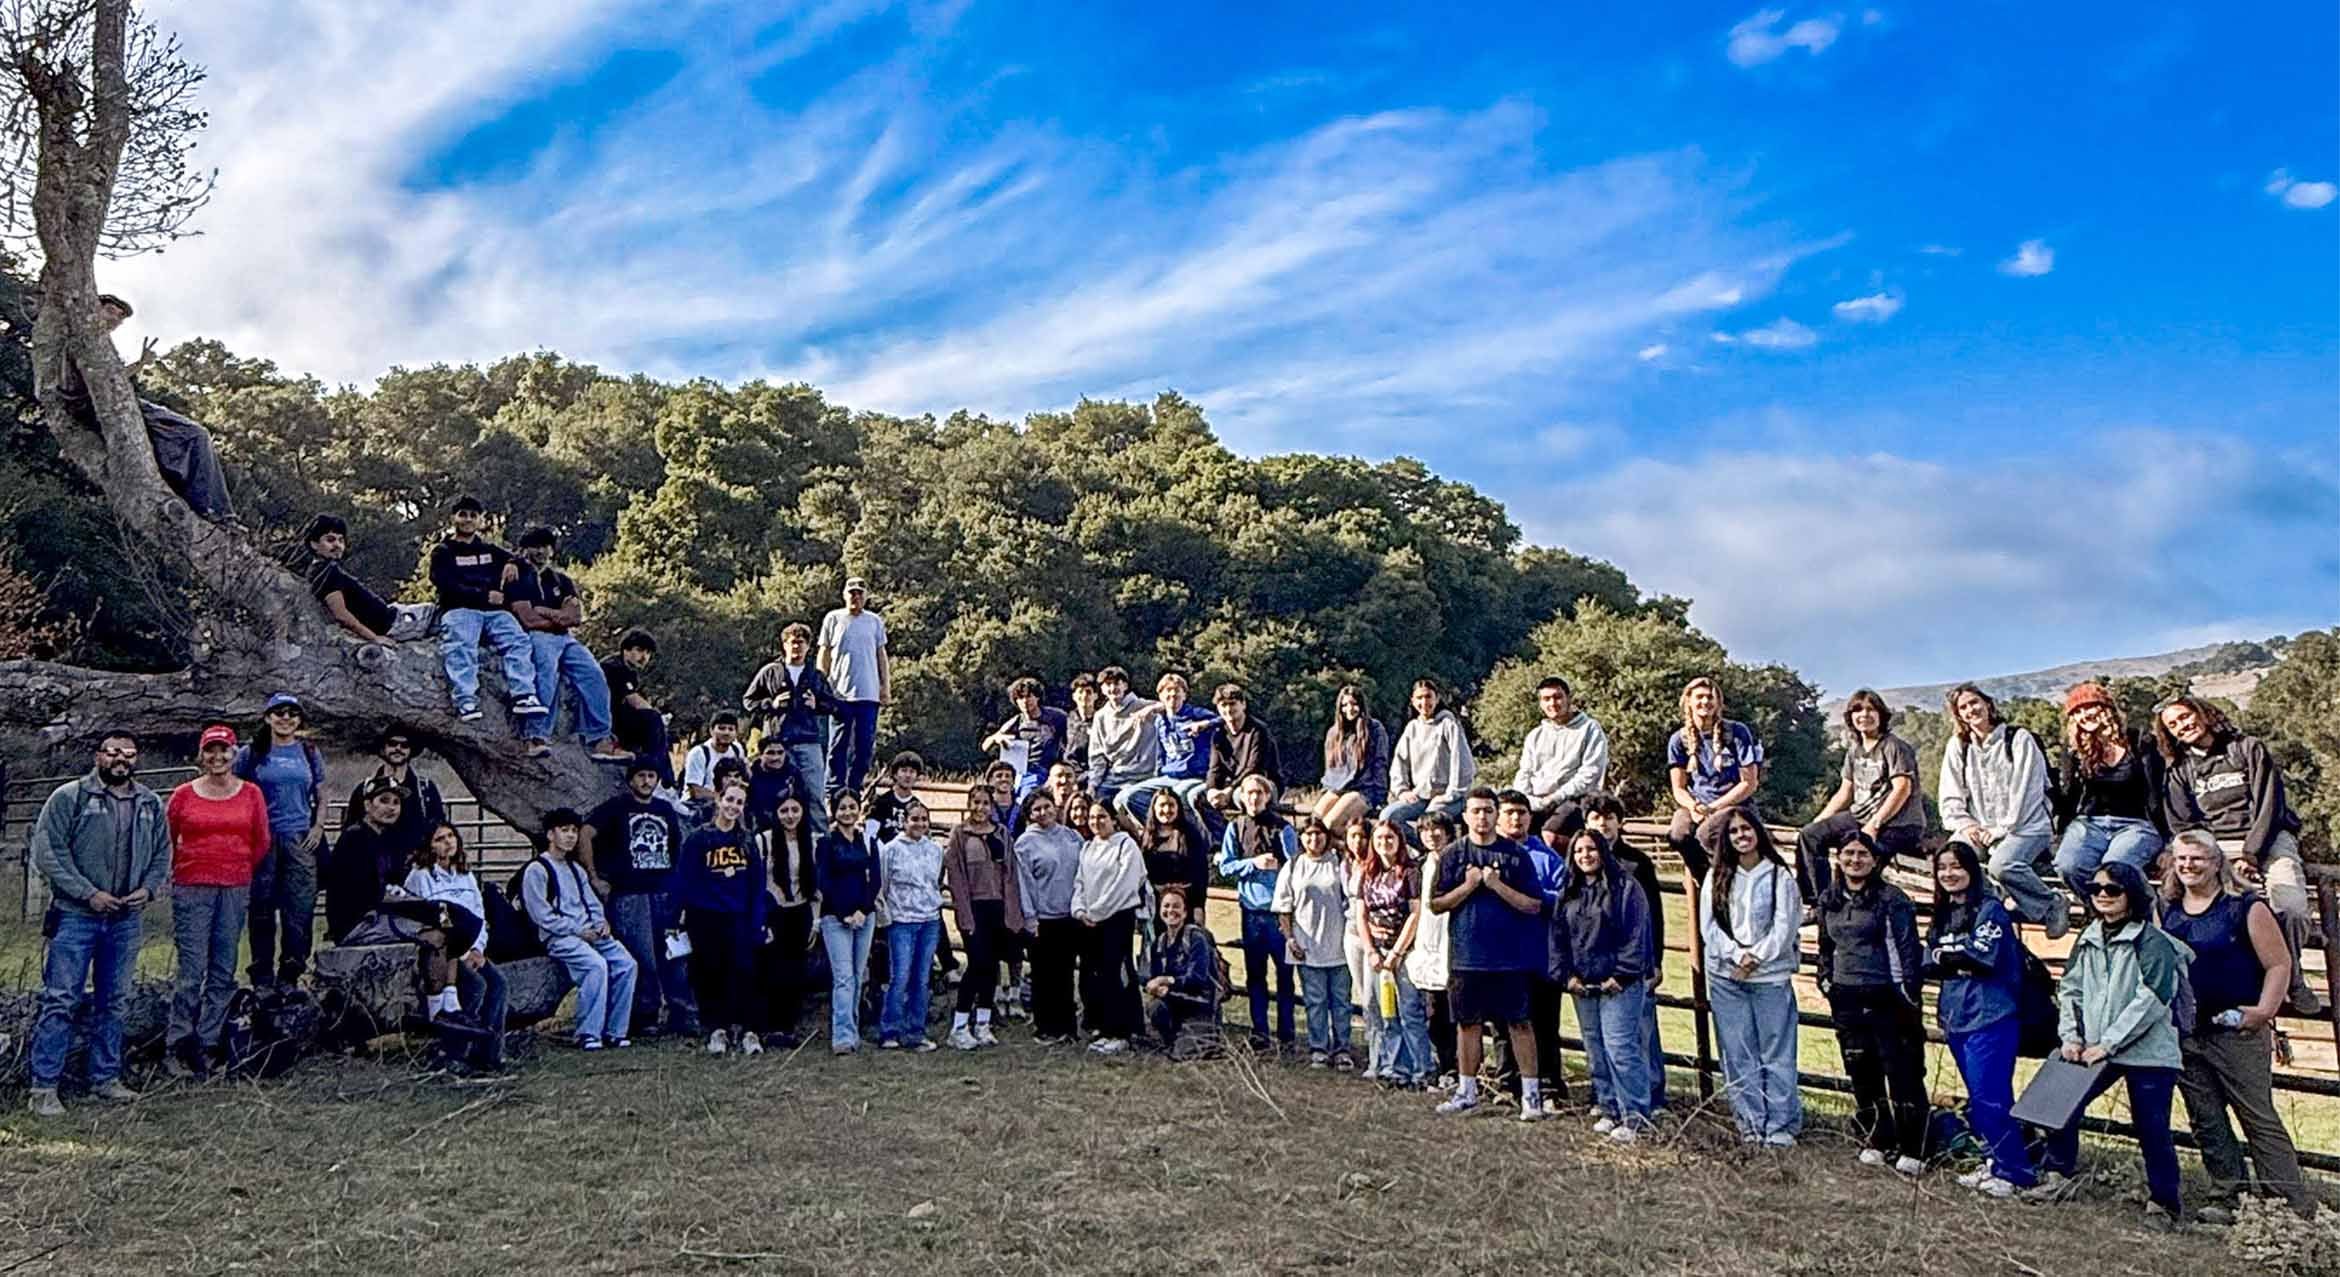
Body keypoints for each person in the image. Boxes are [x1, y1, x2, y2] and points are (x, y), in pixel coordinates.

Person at [2158, 830, 2313, 1219]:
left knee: (2257, 1117)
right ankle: (2228, 1195)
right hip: (2188, 1031)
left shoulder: (2244, 907)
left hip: (2236, 1030)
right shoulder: (2170, 909)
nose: (2189, 866)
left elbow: (2279, 963)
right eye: (2182, 860)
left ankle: (2288, 1202)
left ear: (2216, 862)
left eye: (2198, 859)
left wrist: (2263, 1011)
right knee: (2206, 1118)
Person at [25, 732, 169, 1117]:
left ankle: (105, 1079)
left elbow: (162, 853)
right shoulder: (69, 797)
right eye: (113, 752)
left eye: (129, 753)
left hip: (125, 919)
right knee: (61, 999)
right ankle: (43, 1087)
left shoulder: (149, 803)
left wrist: (149, 889)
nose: (121, 759)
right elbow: (49, 852)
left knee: (115, 1001)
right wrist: (87, 892)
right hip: (77, 916)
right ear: (98, 756)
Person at [2038, 860, 2187, 1227]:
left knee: (2152, 1126)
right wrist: (2071, 1036)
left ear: (2132, 894)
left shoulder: (2153, 942)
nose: (2102, 896)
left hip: (2147, 1051)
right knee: (2059, 1104)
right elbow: (2070, 988)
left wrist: (2108, 1044)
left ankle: (2164, 1204)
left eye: (2112, 889)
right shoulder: (2088, 937)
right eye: (2096, 889)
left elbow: (2152, 998)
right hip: (2091, 1046)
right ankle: (2057, 1176)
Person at [2157, 695, 2322, 1015]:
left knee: (2291, 908)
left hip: (2267, 839)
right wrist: (2219, 860)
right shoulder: (2179, 771)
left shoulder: (2247, 748)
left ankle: (2293, 979)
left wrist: (2250, 855)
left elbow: (2270, 805)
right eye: (2173, 725)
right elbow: (2184, 825)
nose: (2183, 726)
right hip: (2215, 846)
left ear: (2202, 713)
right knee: (2218, 914)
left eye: (2185, 716)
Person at [1429, 788, 1552, 1122]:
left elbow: (1534, 904)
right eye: (1475, 811)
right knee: (1467, 1025)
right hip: (1466, 956)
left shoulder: (1516, 855)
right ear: (1465, 815)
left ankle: (1531, 1096)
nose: (1482, 817)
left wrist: (1497, 886)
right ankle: (1466, 1091)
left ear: (1496, 814)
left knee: (1519, 1024)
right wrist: (1468, 887)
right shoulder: (1453, 855)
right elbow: (1436, 904)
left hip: (1510, 958)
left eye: (1487, 810)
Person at [1922, 841, 2036, 1197]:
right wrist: (1952, 956)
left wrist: (1947, 956)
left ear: (1972, 870)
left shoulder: (1992, 911)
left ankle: (2016, 1171)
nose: (1949, 874)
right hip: (1957, 1016)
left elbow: (1981, 958)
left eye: (1956, 866)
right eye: (1942, 868)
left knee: (1991, 1096)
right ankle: (1993, 1160)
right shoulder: (1942, 914)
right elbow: (1927, 962)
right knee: (1977, 1097)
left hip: (1992, 1015)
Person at [1815, 829, 1929, 1175]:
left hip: (1887, 995)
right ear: (1839, 858)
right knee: (1861, 1069)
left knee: (1901, 1070)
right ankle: (1878, 1137)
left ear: (1876, 860)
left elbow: (1907, 951)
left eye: (1862, 854)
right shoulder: (1829, 899)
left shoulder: (1892, 900)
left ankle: (1915, 1146)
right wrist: (1827, 981)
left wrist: (1907, 994)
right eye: (1848, 853)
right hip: (1846, 995)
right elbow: (1825, 946)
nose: (1855, 860)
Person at [64, 293, 236, 521]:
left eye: (119, 317)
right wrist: (141, 364)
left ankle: (204, 505)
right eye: (110, 311)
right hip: (97, 404)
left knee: (189, 438)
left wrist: (140, 363)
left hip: (115, 400)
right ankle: (213, 510)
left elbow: (113, 380)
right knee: (195, 435)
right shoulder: (85, 340)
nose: (115, 318)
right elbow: (103, 383)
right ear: (94, 309)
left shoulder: (103, 345)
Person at [162, 725, 270, 1079]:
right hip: (193, 886)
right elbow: (167, 837)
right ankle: (177, 1044)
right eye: (211, 751)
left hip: (235, 886)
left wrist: (236, 867)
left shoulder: (251, 794)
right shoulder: (183, 795)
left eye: (225, 750)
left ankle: (208, 1044)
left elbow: (260, 841)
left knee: (224, 968)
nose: (218, 757)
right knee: (192, 971)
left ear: (235, 753)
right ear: (201, 755)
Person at [1697, 807, 1803, 1147]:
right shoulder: (1717, 876)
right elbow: (1708, 926)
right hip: (1727, 977)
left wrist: (1755, 957)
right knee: (1738, 1052)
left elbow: (1785, 926)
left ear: (1758, 831)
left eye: (1746, 829)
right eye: (1734, 832)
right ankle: (1750, 1123)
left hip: (1769, 977)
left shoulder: (1779, 876)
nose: (1741, 836)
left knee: (1776, 1051)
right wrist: (1735, 955)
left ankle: (1780, 1125)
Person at [1937, 682, 2068, 936]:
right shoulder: (1959, 747)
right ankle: (1991, 906)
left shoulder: (2018, 739)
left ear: (1988, 704)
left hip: (2027, 825)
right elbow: (1950, 796)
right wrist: (1967, 825)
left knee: (2003, 865)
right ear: (1958, 714)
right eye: (1963, 707)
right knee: (1954, 858)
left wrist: (2000, 830)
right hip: (1979, 826)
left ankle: (2051, 903)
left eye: (1974, 702)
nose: (1971, 710)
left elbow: (2027, 793)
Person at [1549, 828, 1656, 1142]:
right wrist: (1566, 976)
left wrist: (1621, 975)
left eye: (1591, 849)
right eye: (1579, 851)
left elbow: (1636, 936)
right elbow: (1557, 939)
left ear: (1603, 852)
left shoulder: (1626, 888)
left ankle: (1636, 1117)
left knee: (1621, 1049)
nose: (1585, 856)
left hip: (1619, 985)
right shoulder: (1569, 890)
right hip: (1583, 985)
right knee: (1595, 1049)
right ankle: (1609, 1108)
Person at [584, 762, 697, 1040]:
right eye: (641, 776)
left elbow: (675, 851)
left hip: (664, 892)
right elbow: (585, 833)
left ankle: (682, 1014)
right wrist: (594, 876)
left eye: (651, 776)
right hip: (629, 894)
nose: (646, 781)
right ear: (631, 779)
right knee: (642, 957)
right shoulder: (615, 808)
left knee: (674, 955)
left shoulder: (664, 809)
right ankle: (644, 1017)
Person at [505, 526, 630, 761]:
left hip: (565, 638)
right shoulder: (517, 576)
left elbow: (575, 618)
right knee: (546, 675)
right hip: (536, 636)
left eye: (545, 546)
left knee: (594, 674)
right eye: (535, 546)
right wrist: (557, 616)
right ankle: (536, 736)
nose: (541, 552)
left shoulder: (561, 580)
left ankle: (599, 739)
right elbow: (528, 619)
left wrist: (544, 611)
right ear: (525, 549)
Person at [519, 808, 637, 1050]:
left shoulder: (576, 869)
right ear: (551, 835)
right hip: (559, 936)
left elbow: (591, 902)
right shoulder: (537, 870)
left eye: (574, 831)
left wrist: (600, 922)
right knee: (595, 966)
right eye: (564, 831)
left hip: (590, 932)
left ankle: (615, 1030)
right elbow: (541, 914)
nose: (571, 836)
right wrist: (576, 930)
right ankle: (588, 1033)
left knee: (626, 964)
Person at [1796, 689, 1925, 906]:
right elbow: (1845, 792)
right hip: (1861, 817)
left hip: (1899, 823)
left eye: (1870, 710)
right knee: (1810, 835)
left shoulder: (1894, 747)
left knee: (1862, 855)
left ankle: (1865, 909)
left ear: (1881, 715)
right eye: (1858, 710)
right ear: (1850, 717)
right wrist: (1818, 820)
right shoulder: (1855, 751)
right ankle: (1820, 903)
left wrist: (1875, 824)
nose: (1864, 715)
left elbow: (1902, 788)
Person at [427, 496, 545, 725]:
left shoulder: (490, 550)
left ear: (480, 519)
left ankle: (523, 695)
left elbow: (521, 561)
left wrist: (512, 563)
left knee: (518, 640)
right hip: (459, 609)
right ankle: (466, 699)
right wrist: (482, 596)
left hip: (494, 613)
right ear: (453, 518)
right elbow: (444, 584)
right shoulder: (443, 551)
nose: (468, 520)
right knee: (461, 645)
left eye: (473, 515)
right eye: (462, 514)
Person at [402, 822, 509, 1074]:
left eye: (451, 836)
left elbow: (479, 914)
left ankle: (491, 1053)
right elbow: (420, 917)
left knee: (499, 982)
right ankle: (454, 1052)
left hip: (471, 947)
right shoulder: (420, 876)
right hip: (442, 954)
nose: (448, 842)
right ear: (429, 844)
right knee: (475, 985)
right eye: (440, 838)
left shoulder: (465, 875)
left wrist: (478, 949)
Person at [235, 693, 326, 987]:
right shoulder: (252, 752)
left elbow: (322, 794)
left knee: (299, 910)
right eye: (279, 712)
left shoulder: (309, 752)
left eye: (292, 713)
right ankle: (261, 975)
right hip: (262, 840)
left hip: (299, 838)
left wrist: (318, 828)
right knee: (261, 910)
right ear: (267, 717)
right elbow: (233, 788)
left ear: (299, 719)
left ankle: (291, 974)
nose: (285, 718)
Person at [2050, 682, 2169, 907]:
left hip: (2135, 824)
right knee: (2069, 865)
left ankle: (2145, 915)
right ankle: (2101, 913)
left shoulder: (2139, 741)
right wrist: (2059, 834)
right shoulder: (2074, 750)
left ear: (2106, 709)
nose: (2085, 715)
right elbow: (2069, 795)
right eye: (2077, 712)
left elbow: (2157, 791)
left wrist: (2166, 837)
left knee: (2115, 868)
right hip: (2089, 823)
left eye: (2090, 707)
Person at [1585, 794, 1668, 1113]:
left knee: (1642, 1030)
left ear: (1620, 822)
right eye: (1595, 817)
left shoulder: (1637, 863)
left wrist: (1656, 959)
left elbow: (1655, 915)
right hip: (1594, 964)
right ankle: (1605, 1096)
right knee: (1599, 1035)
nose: (1602, 823)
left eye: (1609, 817)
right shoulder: (1581, 861)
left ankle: (1653, 1095)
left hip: (1636, 962)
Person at [676, 781, 770, 1057]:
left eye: (739, 802)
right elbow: (685, 879)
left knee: (744, 972)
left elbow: (757, 884)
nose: (733, 806)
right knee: (710, 972)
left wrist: (757, 920)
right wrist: (680, 915)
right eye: (729, 799)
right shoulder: (698, 838)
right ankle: (717, 1029)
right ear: (719, 799)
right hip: (705, 917)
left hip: (739, 917)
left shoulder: (748, 841)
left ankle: (749, 1031)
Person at [1494, 789, 1567, 1111]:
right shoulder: (1486, 852)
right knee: (1502, 1023)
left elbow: (1562, 898)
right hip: (1498, 954)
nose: (1515, 818)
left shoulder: (1546, 857)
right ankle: (1507, 1083)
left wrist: (1528, 897)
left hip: (1539, 953)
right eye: (1509, 811)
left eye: (1522, 812)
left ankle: (1549, 1086)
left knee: (1544, 1023)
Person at [1217, 773, 1299, 1051]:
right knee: (1255, 975)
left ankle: (1287, 1034)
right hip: (1251, 913)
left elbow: (1296, 867)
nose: (1253, 798)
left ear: (1268, 796)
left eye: (1259, 793)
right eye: (1249, 793)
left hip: (1279, 914)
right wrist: (1252, 863)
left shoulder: (1283, 829)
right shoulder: (1235, 827)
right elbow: (1225, 866)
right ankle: (1259, 1031)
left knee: (1285, 976)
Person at [936, 784, 1019, 1048]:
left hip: (998, 906)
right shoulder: (960, 835)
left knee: (992, 965)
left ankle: (983, 1022)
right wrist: (965, 914)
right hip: (973, 908)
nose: (980, 808)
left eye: (985, 803)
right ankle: (959, 1025)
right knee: (977, 964)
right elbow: (956, 876)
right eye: (976, 802)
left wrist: (1012, 912)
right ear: (969, 804)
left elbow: (1009, 874)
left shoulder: (1002, 834)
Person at [741, 622, 844, 829]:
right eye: (793, 643)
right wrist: (771, 704)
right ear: (784, 645)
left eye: (801, 643)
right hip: (776, 744)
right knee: (771, 795)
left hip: (808, 742)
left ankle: (819, 843)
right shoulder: (770, 672)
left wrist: (817, 705)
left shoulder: (815, 675)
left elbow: (833, 705)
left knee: (814, 795)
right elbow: (748, 700)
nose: (797, 647)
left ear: (808, 647)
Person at [1357, 818, 1434, 1086]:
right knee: (1386, 1012)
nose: (1384, 844)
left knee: (1409, 1010)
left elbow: (1416, 914)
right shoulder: (1368, 872)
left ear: (1399, 841)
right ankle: (1395, 1066)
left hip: (1404, 951)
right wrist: (1371, 951)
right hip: (1377, 953)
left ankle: (1421, 1068)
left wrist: (1396, 954)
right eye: (1379, 839)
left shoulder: (1410, 872)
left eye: (1389, 838)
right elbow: (1360, 914)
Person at [1664, 676, 1762, 883]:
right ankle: (1707, 882)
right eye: (1699, 697)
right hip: (1697, 804)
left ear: (1718, 702)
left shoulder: (1737, 732)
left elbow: (1749, 782)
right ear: (1688, 701)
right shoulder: (1678, 740)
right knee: (1678, 834)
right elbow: (1678, 788)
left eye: (1710, 697)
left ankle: (1727, 882)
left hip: (1733, 803)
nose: (1705, 702)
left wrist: (1714, 808)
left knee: (1706, 833)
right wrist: (1693, 806)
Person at [1275, 817, 1354, 1070]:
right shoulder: (1294, 865)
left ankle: (1342, 1048)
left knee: (1341, 1000)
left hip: (1339, 944)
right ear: (1301, 838)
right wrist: (1290, 939)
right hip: (1307, 944)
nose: (1313, 839)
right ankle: (1318, 1047)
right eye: (1308, 835)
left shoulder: (1339, 863)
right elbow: (1284, 908)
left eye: (1318, 834)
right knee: (1315, 1000)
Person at [1071, 797, 1147, 1055]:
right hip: (1091, 921)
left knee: (1117, 973)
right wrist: (1080, 910)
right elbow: (1080, 881)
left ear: (1113, 819)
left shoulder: (1126, 846)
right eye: (1092, 817)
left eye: (1102, 816)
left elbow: (1125, 884)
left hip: (1116, 918)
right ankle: (1102, 1026)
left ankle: (1121, 1031)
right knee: (1095, 974)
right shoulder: (1088, 847)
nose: (1096, 822)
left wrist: (1099, 911)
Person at [815, 790, 883, 1054]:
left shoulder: (866, 840)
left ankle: (854, 1029)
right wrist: (844, 912)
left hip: (864, 916)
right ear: (834, 810)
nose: (847, 812)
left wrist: (863, 911)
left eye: (852, 807)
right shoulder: (827, 843)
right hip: (836, 917)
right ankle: (842, 1035)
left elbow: (875, 878)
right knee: (843, 977)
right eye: (842, 807)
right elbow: (824, 881)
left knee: (857, 975)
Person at [1012, 790, 1082, 1045]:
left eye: (1047, 806)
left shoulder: (1072, 836)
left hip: (1070, 914)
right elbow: (1023, 884)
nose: (1043, 812)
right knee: (1044, 975)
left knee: (1065, 973)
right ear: (1029, 815)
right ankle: (1046, 1027)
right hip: (1043, 917)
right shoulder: (1025, 843)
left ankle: (1067, 1027)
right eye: (1036, 809)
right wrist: (1031, 918)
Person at [876, 801, 946, 1052]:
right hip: (902, 921)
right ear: (905, 821)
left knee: (922, 978)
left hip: (929, 920)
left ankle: (916, 1031)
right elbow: (883, 885)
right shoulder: (891, 850)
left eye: (924, 819)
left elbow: (936, 881)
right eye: (914, 819)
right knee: (900, 976)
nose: (919, 824)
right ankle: (890, 1030)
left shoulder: (935, 850)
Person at [302, 515, 433, 644]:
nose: (337, 545)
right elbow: (341, 614)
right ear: (314, 544)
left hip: (395, 615)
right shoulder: (326, 573)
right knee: (443, 613)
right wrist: (374, 638)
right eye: (330, 540)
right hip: (394, 625)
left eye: (341, 540)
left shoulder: (324, 569)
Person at [816, 578, 892, 797]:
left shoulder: (874, 621)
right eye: (851, 593)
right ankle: (833, 790)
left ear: (865, 596)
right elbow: (825, 654)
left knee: (864, 747)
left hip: (868, 694)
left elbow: (881, 655)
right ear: (844, 595)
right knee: (837, 746)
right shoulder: (833, 619)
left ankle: (855, 789)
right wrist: (822, 686)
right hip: (839, 694)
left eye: (859, 593)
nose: (855, 597)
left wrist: (885, 687)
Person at [1511, 676, 1610, 840]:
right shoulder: (1535, 736)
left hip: (1574, 801)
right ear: (1541, 703)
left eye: (1557, 697)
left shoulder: (1590, 729)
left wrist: (1555, 797)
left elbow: (1589, 775)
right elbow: (1524, 773)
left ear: (1568, 699)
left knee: (1551, 835)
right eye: (1546, 699)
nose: (1552, 704)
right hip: (1536, 802)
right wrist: (1524, 799)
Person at [758, 791, 820, 1048]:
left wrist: (815, 921)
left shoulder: (813, 842)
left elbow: (817, 886)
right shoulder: (764, 841)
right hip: (774, 910)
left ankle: (788, 1026)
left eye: (795, 810)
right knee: (772, 969)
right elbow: (757, 881)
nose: (790, 816)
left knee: (796, 969)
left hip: (801, 910)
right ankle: (769, 1025)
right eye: (784, 811)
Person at [1117, 672, 1218, 828]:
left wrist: (1204, 724)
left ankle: (1193, 834)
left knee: (1180, 794)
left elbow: (1224, 719)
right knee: (1129, 797)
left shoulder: (1195, 714)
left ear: (1184, 695)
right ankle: (1159, 831)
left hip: (1195, 775)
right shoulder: (1160, 721)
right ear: (1160, 696)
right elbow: (1161, 754)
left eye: (1177, 692)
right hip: (1169, 776)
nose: (1172, 695)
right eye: (1168, 692)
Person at [1404, 814, 1460, 1087]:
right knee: (1433, 1011)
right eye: (1426, 830)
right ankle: (1442, 1065)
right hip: (1427, 944)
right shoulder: (1421, 866)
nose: (1432, 835)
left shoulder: (1459, 863)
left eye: (1437, 829)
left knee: (1455, 1012)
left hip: (1453, 944)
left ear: (1449, 833)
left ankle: (1459, 1068)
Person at [1381, 679, 1476, 833]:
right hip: (1421, 796)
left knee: (1429, 821)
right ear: (1412, 700)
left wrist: (1450, 795)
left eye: (1428, 697)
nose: (1424, 702)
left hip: (1449, 797)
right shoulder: (1412, 728)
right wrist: (1402, 790)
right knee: (1388, 816)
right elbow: (1400, 763)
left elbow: (1462, 763)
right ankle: (1421, 849)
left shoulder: (1448, 724)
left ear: (1436, 698)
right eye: (1419, 698)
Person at [339, 728, 446, 862]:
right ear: (383, 749)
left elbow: (439, 827)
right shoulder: (364, 789)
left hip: (415, 866)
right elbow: (350, 828)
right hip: (374, 867)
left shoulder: (426, 790)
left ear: (411, 750)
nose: (398, 748)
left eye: (404, 745)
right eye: (392, 744)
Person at [323, 777, 410, 941]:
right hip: (358, 923)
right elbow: (366, 894)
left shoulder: (387, 839)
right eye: (384, 800)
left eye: (396, 802)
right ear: (367, 805)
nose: (391, 808)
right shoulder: (354, 839)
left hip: (380, 916)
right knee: (435, 934)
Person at [1144, 886, 1223, 1058]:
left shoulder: (1196, 939)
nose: (1170, 911)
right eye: (1166, 906)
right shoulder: (1158, 944)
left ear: (1185, 912)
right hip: (1174, 1002)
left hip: (1200, 1004)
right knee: (1154, 1007)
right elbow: (1152, 977)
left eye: (1176, 906)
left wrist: (1167, 980)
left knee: (1182, 1055)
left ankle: (1205, 1036)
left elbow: (1197, 979)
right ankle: (1172, 1038)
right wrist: (1154, 988)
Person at [1086, 666, 1169, 818]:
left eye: (1117, 683)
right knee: (1093, 807)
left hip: (1142, 776)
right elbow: (1097, 756)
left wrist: (1153, 709)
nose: (1113, 688)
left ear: (1125, 685)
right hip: (1115, 776)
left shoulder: (1143, 706)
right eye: (1108, 684)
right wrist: (1093, 784)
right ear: (1102, 689)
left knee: (1123, 802)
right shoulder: (1101, 716)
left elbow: (1171, 706)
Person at [601, 630, 676, 791]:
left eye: (648, 653)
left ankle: (665, 781)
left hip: (617, 718)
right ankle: (660, 778)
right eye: (640, 650)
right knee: (654, 720)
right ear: (626, 649)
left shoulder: (629, 671)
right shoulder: (614, 667)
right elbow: (633, 700)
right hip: (608, 721)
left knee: (657, 728)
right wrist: (657, 716)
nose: (644, 657)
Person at [1311, 684, 1391, 835]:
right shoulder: (1334, 733)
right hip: (1338, 788)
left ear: (1361, 705)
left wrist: (1381, 796)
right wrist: (1326, 791)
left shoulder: (1374, 729)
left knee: (1331, 823)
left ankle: (1358, 851)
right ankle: (1340, 852)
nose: (1349, 708)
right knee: (1315, 822)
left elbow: (1380, 763)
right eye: (1345, 705)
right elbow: (1331, 769)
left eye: (1354, 704)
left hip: (1364, 790)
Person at [981, 676, 1072, 802]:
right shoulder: (1016, 722)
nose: (1025, 701)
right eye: (1020, 698)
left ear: (1037, 697)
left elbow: (1071, 739)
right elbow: (985, 746)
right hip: (1019, 772)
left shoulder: (1056, 717)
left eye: (1029, 696)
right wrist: (997, 738)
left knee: (1026, 798)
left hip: (1044, 770)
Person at [1203, 683, 1280, 821]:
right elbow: (1214, 769)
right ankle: (1218, 837)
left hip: (1263, 784)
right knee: (1196, 796)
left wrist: (1229, 790)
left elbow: (1254, 768)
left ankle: (1251, 835)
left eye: (1232, 704)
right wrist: (1212, 790)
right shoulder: (1219, 734)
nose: (1228, 709)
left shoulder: (1258, 731)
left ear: (1243, 704)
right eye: (1223, 705)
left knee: (1243, 796)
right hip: (1232, 785)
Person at [1138, 787, 1213, 930]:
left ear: (1178, 808)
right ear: (1153, 809)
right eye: (1162, 805)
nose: (1166, 810)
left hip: (1185, 904)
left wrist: (1199, 907)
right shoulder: (1147, 838)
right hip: (1156, 905)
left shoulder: (1191, 835)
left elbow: (1200, 874)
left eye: (1171, 805)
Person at [683, 712, 749, 805]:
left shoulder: (737, 749)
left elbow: (744, 779)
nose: (726, 733)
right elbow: (695, 790)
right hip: (698, 804)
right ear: (711, 730)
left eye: (731, 729)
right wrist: (721, 799)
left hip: (729, 803)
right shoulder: (699, 753)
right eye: (722, 728)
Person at [864, 751, 925, 843]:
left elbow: (922, 838)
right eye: (904, 770)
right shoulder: (880, 803)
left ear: (917, 776)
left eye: (912, 772)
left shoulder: (918, 807)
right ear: (895, 774)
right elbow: (870, 836)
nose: (908, 775)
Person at [1065, 672, 1104, 775]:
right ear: (1074, 696)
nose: (1084, 696)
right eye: (1080, 692)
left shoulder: (1102, 720)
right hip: (1069, 769)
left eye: (1088, 692)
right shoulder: (1066, 719)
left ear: (1095, 696)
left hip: (1093, 770)